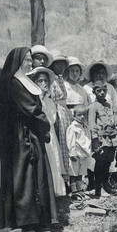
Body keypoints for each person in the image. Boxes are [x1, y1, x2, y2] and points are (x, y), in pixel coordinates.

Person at [0, 47, 57, 229]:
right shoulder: (15, 83)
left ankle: (32, 218)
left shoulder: (22, 81)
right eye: (27, 60)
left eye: (31, 60)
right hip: (21, 138)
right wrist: (45, 124)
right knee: (24, 177)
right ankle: (25, 220)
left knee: (30, 177)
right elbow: (31, 110)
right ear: (18, 62)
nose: (30, 63)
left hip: (27, 133)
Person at [27, 67, 66, 197]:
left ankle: (54, 192)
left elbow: (52, 121)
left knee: (53, 160)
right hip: (40, 136)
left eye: (46, 81)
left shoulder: (49, 101)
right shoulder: (34, 101)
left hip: (50, 136)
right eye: (40, 81)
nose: (44, 84)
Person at [88, 80, 117, 198]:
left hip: (111, 139)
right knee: (100, 162)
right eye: (99, 91)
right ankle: (98, 188)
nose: (102, 93)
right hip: (101, 140)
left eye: (104, 90)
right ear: (94, 92)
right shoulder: (93, 107)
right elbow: (92, 124)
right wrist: (95, 140)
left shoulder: (108, 105)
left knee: (108, 161)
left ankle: (105, 184)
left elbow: (113, 120)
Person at [47, 54, 73, 186]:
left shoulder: (61, 79)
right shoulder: (52, 80)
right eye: (58, 64)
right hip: (56, 111)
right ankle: (61, 179)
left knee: (67, 144)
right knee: (60, 142)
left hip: (64, 111)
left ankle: (68, 179)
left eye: (63, 64)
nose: (61, 67)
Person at [66, 105, 92, 201]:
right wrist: (72, 152)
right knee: (74, 173)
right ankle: (74, 191)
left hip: (84, 153)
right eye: (79, 115)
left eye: (84, 115)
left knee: (81, 173)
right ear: (74, 115)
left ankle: (80, 190)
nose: (82, 117)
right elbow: (70, 140)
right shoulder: (72, 127)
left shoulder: (85, 126)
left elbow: (87, 138)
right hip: (76, 154)